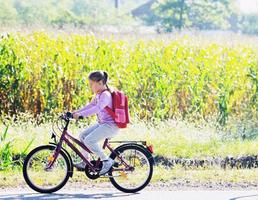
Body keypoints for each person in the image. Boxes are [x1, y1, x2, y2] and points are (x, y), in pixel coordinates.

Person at [72, 70, 119, 175]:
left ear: (100, 82)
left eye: (92, 84)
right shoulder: (98, 94)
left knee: (89, 140)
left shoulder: (105, 95)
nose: (90, 86)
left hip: (110, 126)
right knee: (83, 136)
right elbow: (91, 105)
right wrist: (75, 112)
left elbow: (97, 108)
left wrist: (81, 115)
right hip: (103, 124)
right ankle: (86, 161)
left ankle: (106, 161)